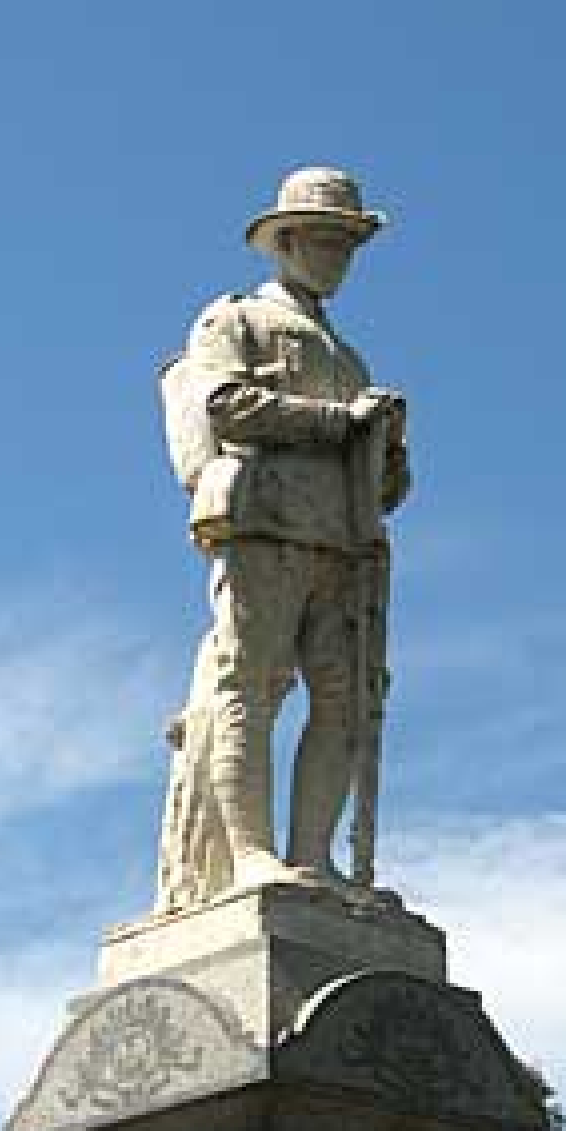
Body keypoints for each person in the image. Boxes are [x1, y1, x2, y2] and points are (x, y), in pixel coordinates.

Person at [155, 166, 409, 906]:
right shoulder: (233, 319)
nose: (339, 256)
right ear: (285, 239)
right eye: (328, 239)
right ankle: (250, 856)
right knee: (252, 685)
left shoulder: (349, 356)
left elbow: (388, 489)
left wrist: (387, 449)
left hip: (343, 542)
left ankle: (311, 859)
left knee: (344, 703)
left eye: (349, 243)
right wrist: (340, 422)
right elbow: (225, 406)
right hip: (263, 520)